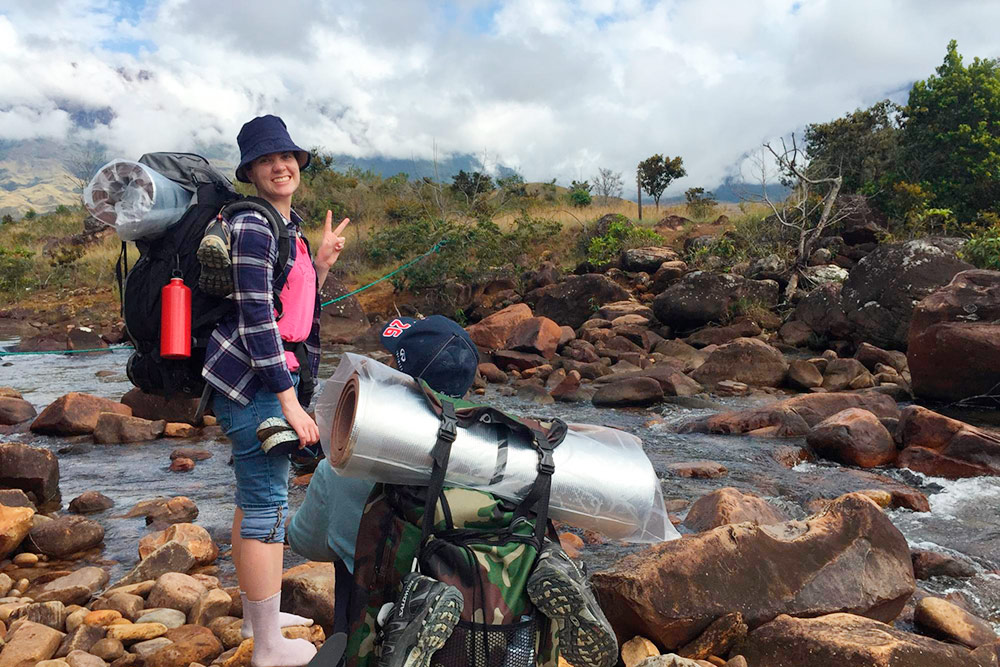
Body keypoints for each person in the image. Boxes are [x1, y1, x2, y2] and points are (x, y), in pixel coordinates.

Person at [201, 114, 349, 667]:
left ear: (299, 164)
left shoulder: (291, 227)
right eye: (267, 160)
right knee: (266, 502)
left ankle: (255, 614)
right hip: (254, 385)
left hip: (267, 379)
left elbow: (296, 310)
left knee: (255, 497)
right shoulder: (255, 227)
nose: (280, 166)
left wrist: (324, 264)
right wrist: (287, 399)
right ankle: (266, 646)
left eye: (286, 157)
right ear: (251, 172)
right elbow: (257, 319)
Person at [287, 315, 480, 642]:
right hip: (476, 624)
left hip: (382, 628)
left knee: (349, 561)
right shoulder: (495, 455)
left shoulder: (343, 467)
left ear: (397, 380)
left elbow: (307, 542)